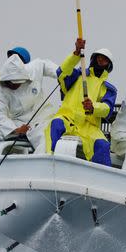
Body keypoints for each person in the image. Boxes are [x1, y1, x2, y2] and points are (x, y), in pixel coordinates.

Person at [46, 38, 117, 166]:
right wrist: (77, 53)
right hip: (68, 118)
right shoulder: (77, 74)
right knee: (55, 125)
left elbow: (107, 108)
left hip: (89, 126)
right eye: (99, 57)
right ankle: (49, 163)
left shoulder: (109, 88)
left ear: (109, 65)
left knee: (103, 145)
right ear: (93, 59)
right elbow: (61, 72)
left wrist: (93, 107)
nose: (101, 60)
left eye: (105, 59)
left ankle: (99, 180)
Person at [0, 52, 59, 154]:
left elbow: (45, 65)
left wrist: (62, 74)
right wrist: (15, 130)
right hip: (17, 123)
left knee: (44, 139)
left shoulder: (33, 68)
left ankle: (39, 166)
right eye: (11, 82)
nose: (14, 85)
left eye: (18, 82)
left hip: (41, 119)